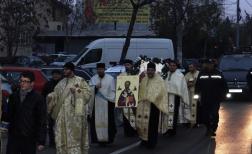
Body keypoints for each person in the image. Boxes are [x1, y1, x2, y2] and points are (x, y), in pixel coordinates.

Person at [47, 62, 91, 154]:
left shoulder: (80, 81)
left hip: (75, 116)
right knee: (61, 136)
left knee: (75, 138)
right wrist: (51, 96)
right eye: (64, 69)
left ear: (71, 70)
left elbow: (87, 95)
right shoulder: (61, 82)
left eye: (66, 69)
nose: (64, 71)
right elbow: (56, 94)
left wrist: (76, 91)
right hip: (62, 116)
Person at [7, 71, 47, 154]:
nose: (22, 83)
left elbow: (42, 120)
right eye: (21, 81)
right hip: (14, 137)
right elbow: (8, 115)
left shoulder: (38, 98)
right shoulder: (13, 96)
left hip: (29, 137)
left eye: (25, 81)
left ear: (32, 83)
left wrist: (41, 141)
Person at [136, 62, 168, 149]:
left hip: (154, 106)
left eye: (151, 70)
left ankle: (152, 143)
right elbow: (140, 90)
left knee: (152, 126)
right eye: (148, 70)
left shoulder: (159, 80)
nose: (150, 72)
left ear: (154, 70)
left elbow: (161, 93)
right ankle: (144, 140)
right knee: (142, 123)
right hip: (143, 105)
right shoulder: (144, 79)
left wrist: (150, 98)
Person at [195, 59, 227, 136]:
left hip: (215, 98)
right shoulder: (202, 73)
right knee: (205, 116)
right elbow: (198, 85)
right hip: (205, 98)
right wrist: (196, 94)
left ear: (213, 64)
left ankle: (213, 128)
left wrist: (225, 93)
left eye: (211, 64)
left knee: (214, 114)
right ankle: (208, 128)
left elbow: (224, 84)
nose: (209, 65)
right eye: (208, 64)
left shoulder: (218, 73)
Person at [160, 60, 190, 136]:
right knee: (165, 113)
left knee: (173, 114)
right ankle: (166, 129)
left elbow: (182, 87)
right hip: (166, 96)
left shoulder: (180, 75)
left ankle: (172, 130)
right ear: (169, 66)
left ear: (176, 67)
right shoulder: (166, 74)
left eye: (174, 65)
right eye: (171, 65)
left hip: (175, 97)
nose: (172, 67)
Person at [89, 63, 117, 145]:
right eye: (98, 69)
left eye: (101, 69)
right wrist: (94, 88)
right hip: (96, 104)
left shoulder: (110, 79)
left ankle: (109, 139)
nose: (100, 70)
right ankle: (99, 139)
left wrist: (111, 100)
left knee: (109, 122)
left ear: (104, 69)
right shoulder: (93, 79)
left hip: (107, 104)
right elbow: (88, 90)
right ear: (96, 70)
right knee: (96, 122)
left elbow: (113, 91)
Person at [42, 70, 62, 147]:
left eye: (57, 74)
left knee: (60, 126)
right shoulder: (48, 84)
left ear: (60, 75)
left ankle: (60, 142)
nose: (55, 76)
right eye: (54, 74)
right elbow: (43, 95)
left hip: (61, 108)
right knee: (50, 126)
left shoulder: (63, 84)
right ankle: (52, 142)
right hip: (50, 109)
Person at [119, 59, 138, 137]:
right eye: (126, 65)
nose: (127, 66)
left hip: (132, 97)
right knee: (126, 115)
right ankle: (127, 132)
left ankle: (134, 130)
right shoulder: (121, 75)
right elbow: (119, 87)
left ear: (131, 65)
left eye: (128, 65)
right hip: (124, 98)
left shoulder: (135, 74)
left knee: (134, 114)